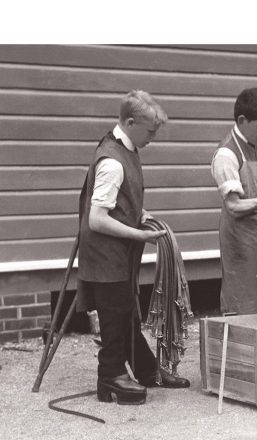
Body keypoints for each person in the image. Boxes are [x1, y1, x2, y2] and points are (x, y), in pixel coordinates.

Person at [76, 90, 188, 406]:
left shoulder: (126, 148)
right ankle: (110, 377)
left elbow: (117, 202)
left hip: (118, 257)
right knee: (114, 318)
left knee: (127, 316)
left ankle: (146, 370)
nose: (153, 137)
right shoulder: (112, 161)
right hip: (105, 258)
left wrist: (141, 214)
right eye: (150, 130)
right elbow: (96, 219)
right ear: (129, 122)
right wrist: (138, 235)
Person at [211, 88, 257, 314]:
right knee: (240, 293)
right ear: (242, 120)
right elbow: (233, 206)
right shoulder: (226, 154)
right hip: (238, 235)